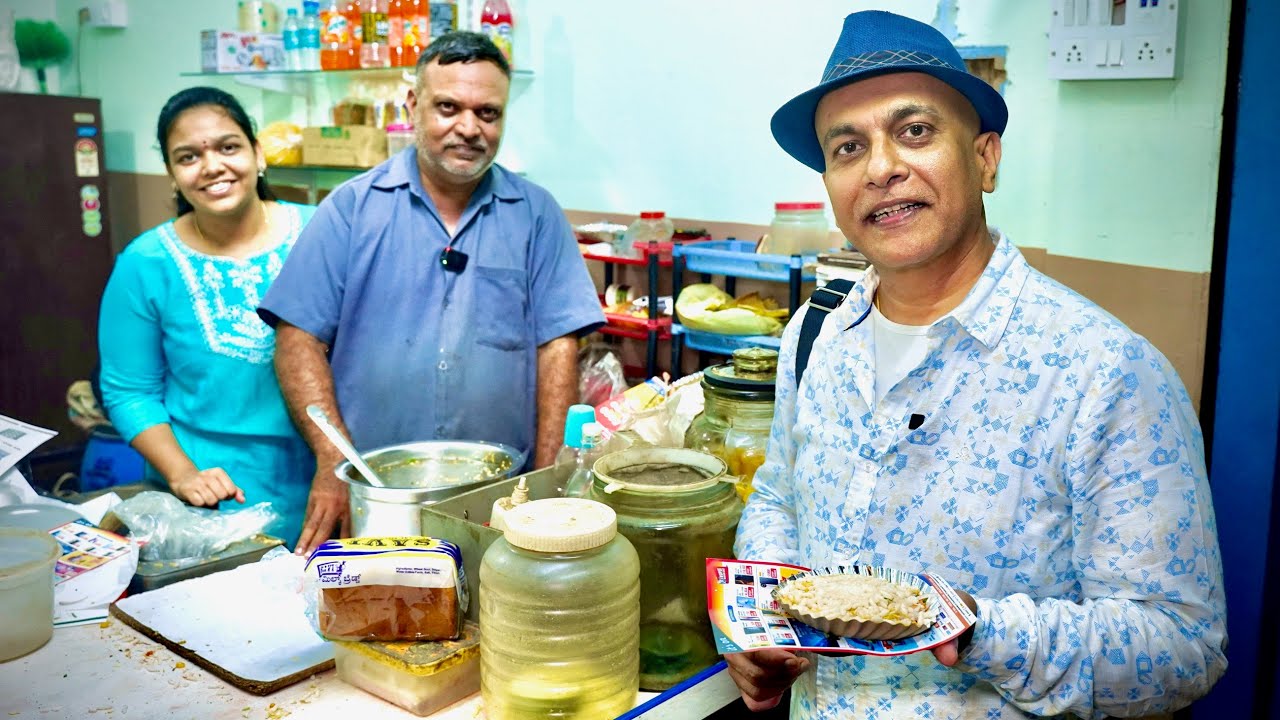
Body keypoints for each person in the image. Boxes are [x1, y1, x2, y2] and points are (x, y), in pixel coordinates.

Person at [729, 11, 1226, 718]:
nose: (880, 168)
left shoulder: (1104, 374)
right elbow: (781, 494)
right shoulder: (815, 337)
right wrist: (763, 626)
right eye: (846, 146)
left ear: (986, 158)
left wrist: (976, 628)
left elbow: (1181, 648)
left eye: (915, 131)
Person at [259, 31, 604, 555]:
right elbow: (296, 338)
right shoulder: (351, 209)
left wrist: (545, 485)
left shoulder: (535, 214)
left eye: (487, 113)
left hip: (497, 499)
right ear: (414, 106)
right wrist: (333, 468)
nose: (468, 128)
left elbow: (558, 346)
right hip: (376, 494)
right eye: (448, 107)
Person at [98, 87, 317, 548]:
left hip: (326, 482)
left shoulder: (322, 232)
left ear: (258, 154)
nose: (212, 165)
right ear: (173, 176)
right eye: (188, 156)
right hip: (210, 503)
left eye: (228, 146)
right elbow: (129, 390)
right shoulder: (144, 264)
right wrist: (183, 475)